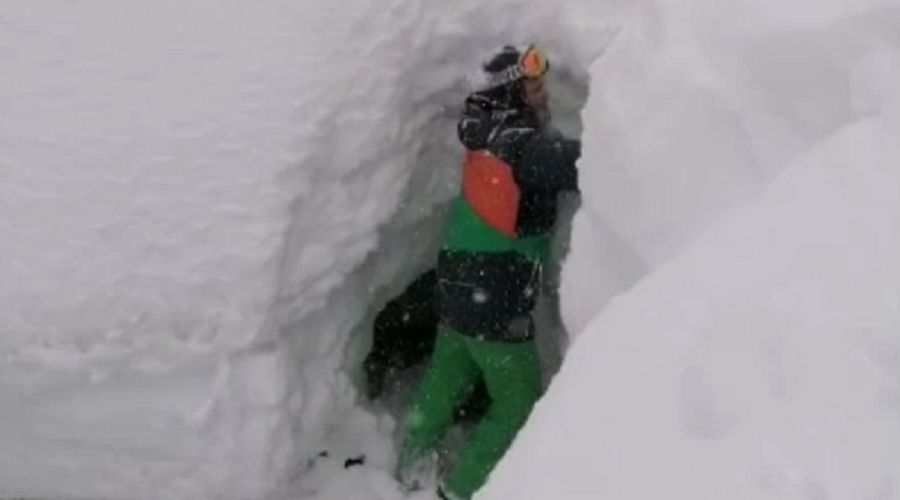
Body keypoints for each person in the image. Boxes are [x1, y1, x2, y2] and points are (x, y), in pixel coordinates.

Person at [394, 45, 580, 500]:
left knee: (445, 379)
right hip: (494, 291)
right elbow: (574, 163)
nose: (543, 95)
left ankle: (410, 465)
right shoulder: (517, 139)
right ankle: (463, 487)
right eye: (533, 88)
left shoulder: (485, 133)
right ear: (512, 91)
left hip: (458, 281)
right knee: (518, 403)